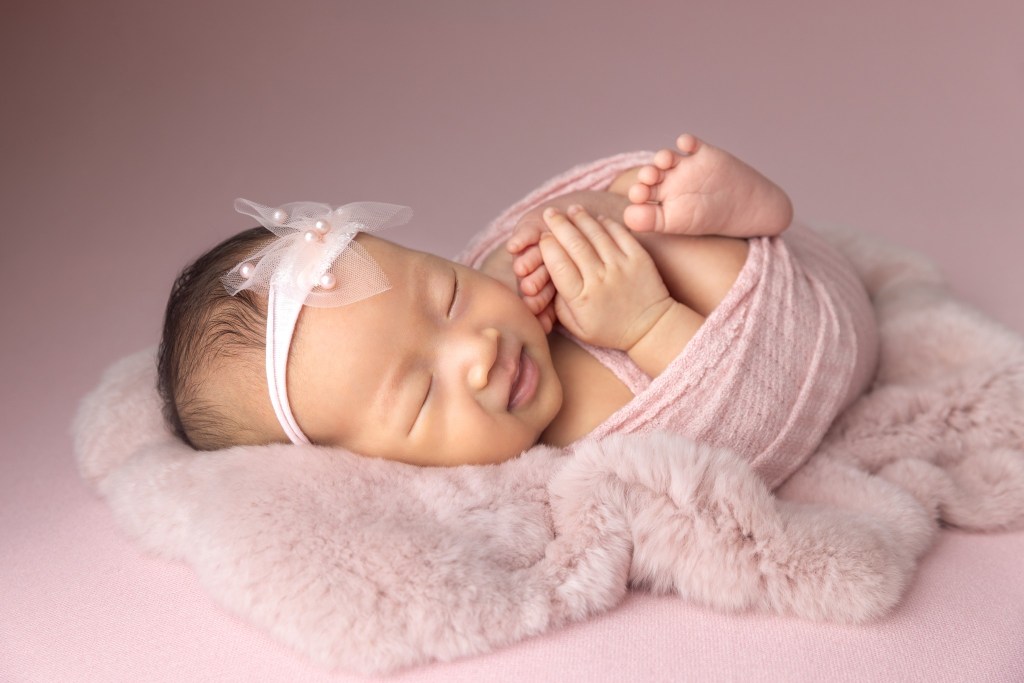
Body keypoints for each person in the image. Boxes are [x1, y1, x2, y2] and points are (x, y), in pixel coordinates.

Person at [158, 134, 875, 485]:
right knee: (629, 258)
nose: (476, 351)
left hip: (787, 276)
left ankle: (697, 211)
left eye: (447, 296)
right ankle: (697, 228)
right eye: (421, 392)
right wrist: (646, 324)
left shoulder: (502, 301)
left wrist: (528, 259)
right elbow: (747, 408)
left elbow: (503, 262)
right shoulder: (537, 484)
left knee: (567, 226)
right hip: (801, 344)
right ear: (373, 467)